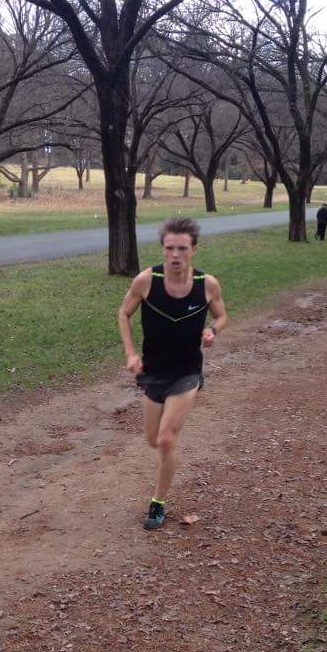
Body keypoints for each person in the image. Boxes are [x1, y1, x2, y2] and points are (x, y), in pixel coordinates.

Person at [118, 217, 227, 530]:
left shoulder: (207, 284)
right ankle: (165, 458)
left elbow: (221, 316)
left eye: (182, 248)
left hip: (186, 372)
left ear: (194, 249)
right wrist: (130, 353)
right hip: (153, 371)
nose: (175, 255)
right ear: (163, 250)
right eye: (170, 248)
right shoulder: (146, 280)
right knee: (153, 439)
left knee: (166, 439)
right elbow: (123, 314)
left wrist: (212, 331)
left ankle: (158, 503)